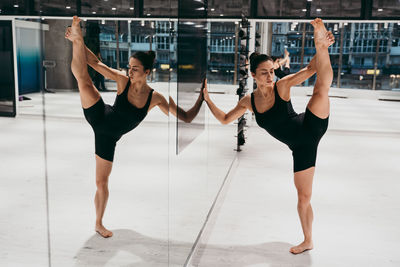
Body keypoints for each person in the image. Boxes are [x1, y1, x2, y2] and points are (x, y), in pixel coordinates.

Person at [203, 18, 334, 254]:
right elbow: (224, 119)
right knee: (304, 196)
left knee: (321, 87)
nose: (269, 76)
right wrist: (208, 99)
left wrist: (321, 49)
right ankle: (308, 240)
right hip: (300, 147)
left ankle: (320, 41)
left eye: (271, 71)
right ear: (253, 75)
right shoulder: (249, 101)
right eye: (264, 73)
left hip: (311, 124)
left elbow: (312, 69)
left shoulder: (282, 86)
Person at [65, 16, 204, 238]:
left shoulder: (155, 98)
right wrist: (78, 43)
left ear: (147, 72)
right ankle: (77, 38)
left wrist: (201, 99)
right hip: (100, 114)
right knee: (84, 79)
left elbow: (185, 117)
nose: (130, 71)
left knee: (101, 182)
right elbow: (95, 63)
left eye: (135, 69)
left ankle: (98, 224)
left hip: (108, 137)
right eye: (129, 67)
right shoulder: (122, 80)